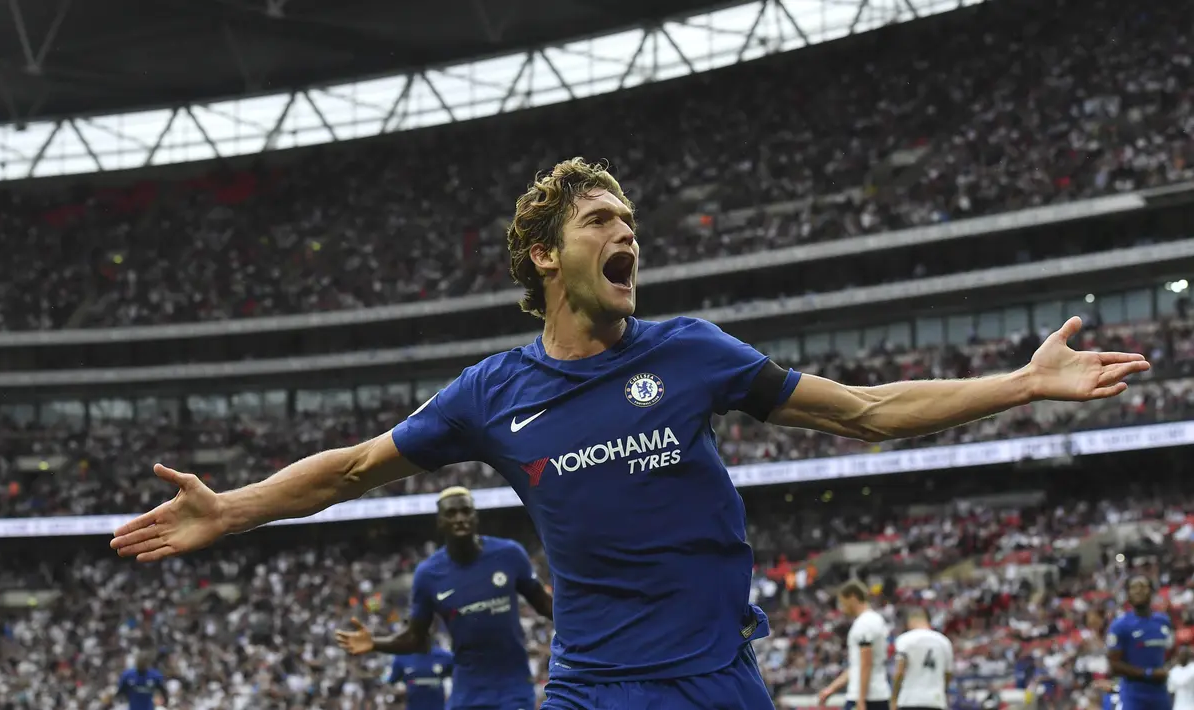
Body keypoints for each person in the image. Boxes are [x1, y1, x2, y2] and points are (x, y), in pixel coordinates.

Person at [111, 158, 1150, 709]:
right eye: (599, 220)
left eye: (629, 222)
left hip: (717, 678)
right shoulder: (490, 392)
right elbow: (348, 468)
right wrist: (233, 508)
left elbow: (868, 411)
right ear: (539, 255)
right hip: (593, 686)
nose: (625, 235)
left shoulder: (690, 350)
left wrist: (1018, 383)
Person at [334, 487, 551, 710]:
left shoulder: (509, 555)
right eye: (451, 513)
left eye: (466, 511)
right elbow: (416, 638)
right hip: (466, 694)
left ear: (475, 517)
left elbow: (545, 604)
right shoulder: (428, 575)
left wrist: (585, 618)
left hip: (512, 690)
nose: (460, 518)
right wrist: (374, 643)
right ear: (440, 522)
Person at [819, 581, 891, 710]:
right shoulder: (874, 620)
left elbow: (866, 664)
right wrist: (831, 689)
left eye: (842, 602)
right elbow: (858, 665)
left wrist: (861, 700)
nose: (841, 608)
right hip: (876, 694)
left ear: (852, 597)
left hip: (867, 698)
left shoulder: (865, 623)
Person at [1108, 576, 1174, 710]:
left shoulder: (1163, 621)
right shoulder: (1120, 625)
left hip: (1160, 694)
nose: (1139, 591)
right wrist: (1148, 673)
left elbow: (1171, 651)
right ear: (1128, 595)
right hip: (1134, 696)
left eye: (1143, 586)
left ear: (1151, 591)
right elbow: (1113, 665)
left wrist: (1169, 667)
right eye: (1134, 587)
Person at [891, 608, 954, 710]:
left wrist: (894, 698)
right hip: (936, 701)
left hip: (909, 700)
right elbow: (948, 674)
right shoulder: (944, 642)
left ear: (910, 621)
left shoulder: (904, 639)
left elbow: (899, 673)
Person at [378, 643, 455, 710]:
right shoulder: (402, 657)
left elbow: (459, 678)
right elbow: (390, 683)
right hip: (413, 705)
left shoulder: (444, 656)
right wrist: (398, 693)